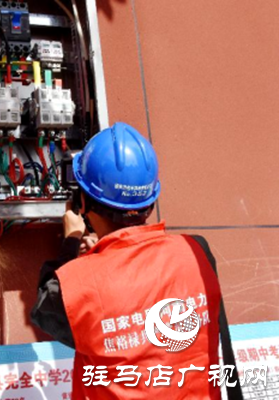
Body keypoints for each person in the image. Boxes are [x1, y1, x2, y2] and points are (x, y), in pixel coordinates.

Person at [31, 122, 222, 399]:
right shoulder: (197, 252)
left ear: (82, 202)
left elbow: (45, 308)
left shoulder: (79, 284)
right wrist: (102, 257)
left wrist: (71, 241)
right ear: (150, 203)